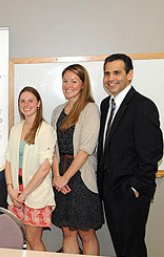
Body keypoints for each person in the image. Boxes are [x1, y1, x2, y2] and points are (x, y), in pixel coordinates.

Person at [97, 53, 163, 257]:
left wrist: (135, 188)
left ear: (130, 75)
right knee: (122, 247)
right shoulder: (106, 104)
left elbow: (152, 152)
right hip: (110, 191)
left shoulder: (143, 105)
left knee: (132, 249)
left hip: (130, 194)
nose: (111, 78)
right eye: (107, 73)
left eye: (117, 72)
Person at [51, 64, 104, 255]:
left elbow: (85, 150)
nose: (68, 85)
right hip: (60, 176)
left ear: (83, 84)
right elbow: (53, 149)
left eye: (74, 81)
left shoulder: (90, 109)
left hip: (81, 177)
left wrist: (66, 177)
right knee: (67, 232)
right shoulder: (57, 111)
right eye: (65, 81)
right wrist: (57, 177)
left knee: (86, 233)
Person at [4, 86, 56, 251]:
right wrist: (11, 189)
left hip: (35, 195)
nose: (26, 104)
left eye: (30, 100)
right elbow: (8, 161)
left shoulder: (45, 130)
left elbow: (45, 168)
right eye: (22, 101)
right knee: (23, 239)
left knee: (34, 241)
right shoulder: (16, 129)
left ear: (38, 103)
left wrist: (25, 194)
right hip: (15, 195)